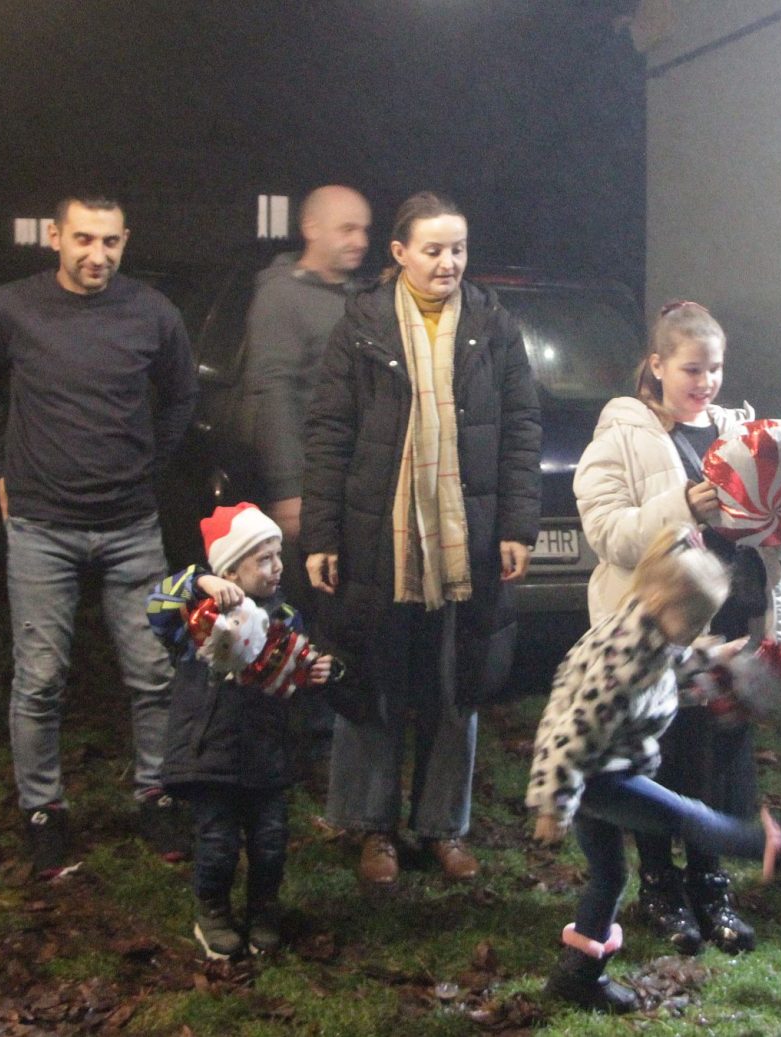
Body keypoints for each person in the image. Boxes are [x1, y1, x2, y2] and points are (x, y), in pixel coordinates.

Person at [571, 299, 781, 954]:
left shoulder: (742, 432)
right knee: (656, 759)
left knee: (720, 762)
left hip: (733, 625)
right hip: (659, 630)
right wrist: (681, 504)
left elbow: (766, 540)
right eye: (692, 369)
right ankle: (661, 889)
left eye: (715, 369)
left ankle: (711, 885)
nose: (706, 382)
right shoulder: (620, 436)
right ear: (657, 365)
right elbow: (609, 535)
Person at [302, 191, 541, 885]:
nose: (448, 263)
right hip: (379, 537)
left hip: (467, 540)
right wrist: (321, 534)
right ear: (399, 252)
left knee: (454, 681)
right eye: (433, 250)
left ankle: (443, 826)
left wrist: (516, 525)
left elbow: (520, 428)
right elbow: (329, 431)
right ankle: (372, 826)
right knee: (372, 679)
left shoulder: (493, 326)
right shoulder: (362, 326)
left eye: (458, 249)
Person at [0, 192, 198, 878]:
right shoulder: (11, 307)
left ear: (126, 241)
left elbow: (182, 394)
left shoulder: (153, 311)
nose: (98, 255)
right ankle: (43, 810)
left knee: (154, 672)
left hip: (131, 524)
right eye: (84, 239)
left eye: (111, 241)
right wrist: (2, 465)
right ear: (55, 237)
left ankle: (156, 795)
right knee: (39, 678)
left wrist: (151, 462)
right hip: (42, 525)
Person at [528, 524, 781, 1014]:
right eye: (695, 619)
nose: (699, 627)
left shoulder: (644, 628)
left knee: (610, 876)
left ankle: (577, 975)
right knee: (688, 817)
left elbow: (669, 660)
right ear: (663, 601)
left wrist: (710, 656)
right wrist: (554, 804)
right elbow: (572, 734)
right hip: (595, 777)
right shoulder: (623, 660)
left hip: (596, 771)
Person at [148, 503, 335, 960]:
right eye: (264, 559)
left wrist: (316, 672)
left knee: (270, 841)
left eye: (278, 555)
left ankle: (264, 911)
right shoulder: (199, 615)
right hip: (210, 752)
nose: (278, 567)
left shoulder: (284, 616)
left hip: (266, 752)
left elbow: (293, 670)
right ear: (230, 569)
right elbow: (156, 605)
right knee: (218, 842)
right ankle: (212, 912)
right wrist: (200, 580)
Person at [238, 184, 372, 757]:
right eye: (347, 229)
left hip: (356, 482)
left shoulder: (360, 296)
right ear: (311, 229)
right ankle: (302, 734)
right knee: (307, 607)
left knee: (344, 605)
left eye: (365, 229)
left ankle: (342, 722)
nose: (360, 240)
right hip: (310, 485)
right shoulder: (281, 298)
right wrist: (288, 486)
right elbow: (273, 392)